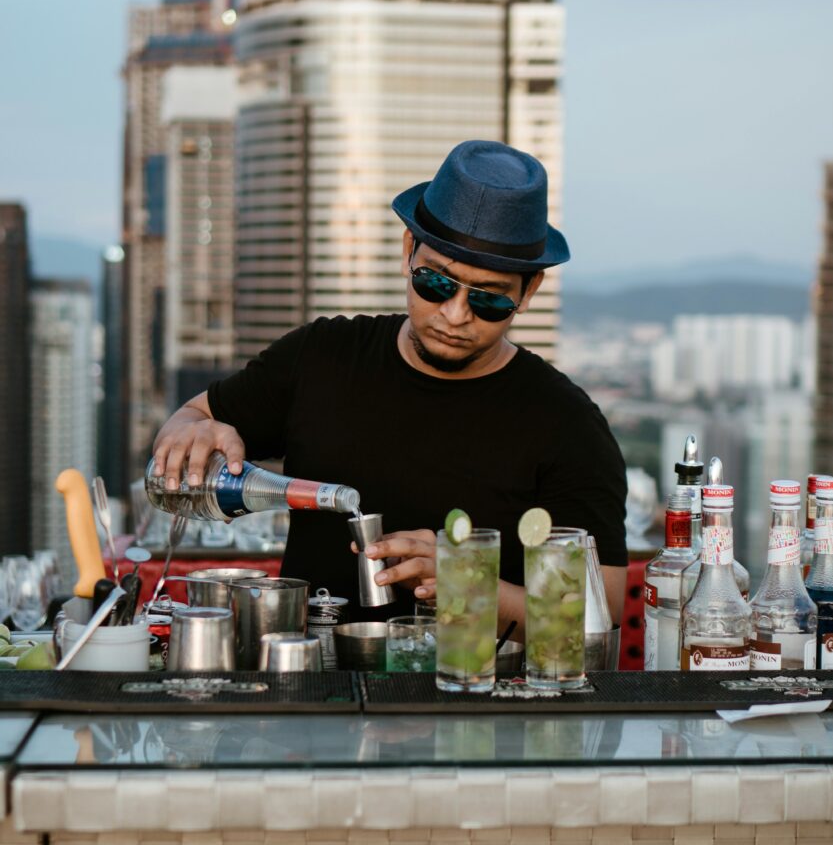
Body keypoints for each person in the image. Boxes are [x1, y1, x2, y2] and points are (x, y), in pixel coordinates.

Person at [152, 140, 628, 633]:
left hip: (479, 698)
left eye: (489, 301)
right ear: (408, 252)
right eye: (436, 284)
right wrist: (193, 433)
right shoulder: (322, 356)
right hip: (311, 686)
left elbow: (601, 610)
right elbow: (191, 417)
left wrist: (469, 582)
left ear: (529, 293)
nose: (455, 314)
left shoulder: (566, 423)